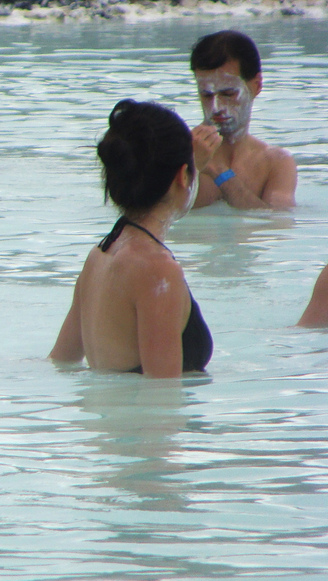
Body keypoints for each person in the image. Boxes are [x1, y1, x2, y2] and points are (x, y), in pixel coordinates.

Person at [49, 99, 214, 377]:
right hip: (137, 422)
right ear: (183, 176)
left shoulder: (99, 256)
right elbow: (162, 404)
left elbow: (60, 362)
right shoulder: (158, 271)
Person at [190, 30, 296, 209]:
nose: (216, 107)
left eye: (228, 93)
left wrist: (220, 173)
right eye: (206, 95)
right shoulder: (178, 153)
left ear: (256, 85)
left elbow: (278, 225)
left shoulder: (276, 163)